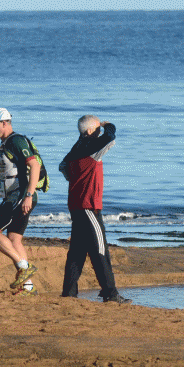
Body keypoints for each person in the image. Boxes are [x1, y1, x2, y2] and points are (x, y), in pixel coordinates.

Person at [0, 108, 49, 296]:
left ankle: (24, 267)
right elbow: (6, 174)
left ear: (4, 123)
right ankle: (28, 287)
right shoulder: (6, 143)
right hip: (17, 196)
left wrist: (29, 196)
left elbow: (35, 165)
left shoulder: (16, 141)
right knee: (14, 240)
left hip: (20, 196)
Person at [58, 115, 130, 303]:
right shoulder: (90, 148)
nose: (99, 132)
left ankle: (69, 293)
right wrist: (108, 125)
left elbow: (62, 166)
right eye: (97, 129)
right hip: (88, 206)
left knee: (77, 252)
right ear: (90, 131)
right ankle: (111, 294)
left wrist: (73, 178)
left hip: (76, 206)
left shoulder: (76, 148)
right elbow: (110, 138)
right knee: (100, 250)